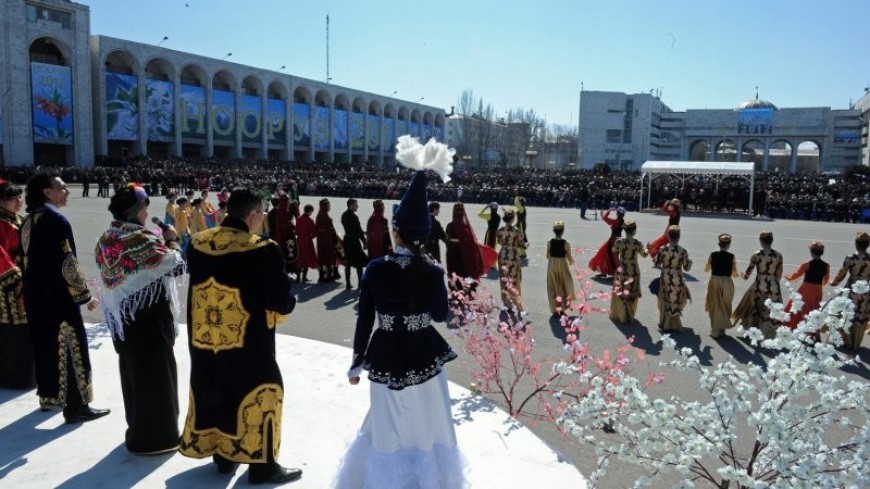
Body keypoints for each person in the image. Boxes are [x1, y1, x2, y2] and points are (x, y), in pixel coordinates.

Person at [334, 135, 466, 489]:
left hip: (386, 352)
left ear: (395, 230)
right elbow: (441, 316)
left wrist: (356, 361)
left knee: (388, 423)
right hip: (424, 351)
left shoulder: (376, 269)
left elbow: (364, 318)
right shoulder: (433, 271)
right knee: (427, 421)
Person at [179, 188, 301, 484]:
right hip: (248, 341)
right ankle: (263, 466)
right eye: (262, 214)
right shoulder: (262, 248)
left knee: (216, 386)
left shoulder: (197, 242)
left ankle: (223, 455)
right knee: (265, 390)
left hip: (207, 338)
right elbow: (280, 301)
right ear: (252, 215)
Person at [95, 184, 185, 454]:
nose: (148, 212)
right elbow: (174, 264)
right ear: (135, 210)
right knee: (157, 378)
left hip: (125, 319)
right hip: (148, 318)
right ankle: (159, 438)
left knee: (134, 377)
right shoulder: (139, 238)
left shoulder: (107, 237)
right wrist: (172, 240)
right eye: (145, 207)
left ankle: (137, 431)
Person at [21, 174, 110, 422]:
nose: (66, 191)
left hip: (36, 296)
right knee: (73, 346)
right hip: (58, 297)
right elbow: (67, 263)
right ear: (48, 192)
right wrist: (83, 295)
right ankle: (77, 405)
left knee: (46, 346)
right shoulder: (55, 220)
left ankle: (50, 396)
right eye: (61, 188)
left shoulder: (30, 218)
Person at [0, 181, 34, 389]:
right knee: (11, 329)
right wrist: (14, 277)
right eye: (14, 199)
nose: (19, 201)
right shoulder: (2, 223)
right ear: (2, 202)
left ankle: (24, 374)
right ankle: (11, 376)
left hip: (22, 281)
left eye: (20, 197)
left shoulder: (16, 219)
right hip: (8, 285)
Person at [732, 231, 783, 339]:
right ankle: (767, 332)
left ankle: (752, 330)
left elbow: (749, 271)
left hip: (759, 283)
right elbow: (779, 274)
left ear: (760, 241)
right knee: (770, 309)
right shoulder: (778, 256)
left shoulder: (756, 255)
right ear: (772, 241)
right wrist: (774, 283)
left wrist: (744, 276)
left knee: (753, 307)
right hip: (773, 285)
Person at [830, 232, 870, 351]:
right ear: (868, 245)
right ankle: (856, 343)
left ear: (856, 244)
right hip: (866, 290)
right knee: (861, 315)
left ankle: (847, 341)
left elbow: (842, 272)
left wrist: (834, 282)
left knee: (844, 314)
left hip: (852, 288)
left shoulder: (851, 257)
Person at [783, 241, 829, 332]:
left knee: (800, 306)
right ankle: (811, 329)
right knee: (814, 307)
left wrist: (788, 277)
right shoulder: (826, 266)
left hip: (806, 288)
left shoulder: (807, 264)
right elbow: (826, 279)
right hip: (817, 289)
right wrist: (820, 285)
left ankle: (795, 326)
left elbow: (797, 274)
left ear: (812, 253)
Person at [655, 225, 692, 332]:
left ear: (668, 236)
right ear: (679, 237)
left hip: (665, 277)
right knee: (675, 300)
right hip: (678, 277)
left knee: (665, 300)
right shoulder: (683, 251)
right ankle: (674, 324)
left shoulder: (662, 250)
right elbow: (687, 268)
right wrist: (689, 263)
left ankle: (665, 323)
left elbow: (657, 264)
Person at [610, 220, 647, 324]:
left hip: (622, 270)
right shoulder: (637, 243)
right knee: (631, 293)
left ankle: (621, 315)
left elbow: (614, 250)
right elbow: (644, 255)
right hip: (634, 270)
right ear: (634, 230)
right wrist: (648, 248)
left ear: (624, 230)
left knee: (621, 292)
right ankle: (628, 315)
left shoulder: (619, 241)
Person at [704, 233, 739, 339]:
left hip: (715, 280)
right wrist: (738, 275)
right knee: (726, 305)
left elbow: (707, 268)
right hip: (727, 282)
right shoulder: (731, 256)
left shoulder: (713, 255)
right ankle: (722, 329)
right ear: (728, 245)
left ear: (719, 244)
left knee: (714, 305)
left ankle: (715, 331)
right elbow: (734, 272)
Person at [445, 203, 484, 293]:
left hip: (453, 250)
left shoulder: (450, 225)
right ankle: (471, 286)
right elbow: (469, 240)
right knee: (465, 270)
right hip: (463, 251)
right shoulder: (465, 226)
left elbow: (447, 238)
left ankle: (458, 288)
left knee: (454, 269)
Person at [496, 207, 524, 311]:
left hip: (503, 255)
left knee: (504, 279)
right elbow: (521, 244)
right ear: (512, 219)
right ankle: (516, 302)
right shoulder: (517, 231)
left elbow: (499, 242)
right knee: (514, 280)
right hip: (513, 255)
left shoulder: (500, 230)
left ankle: (507, 303)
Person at [546, 221, 574, 316]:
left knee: (552, 286)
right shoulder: (566, 243)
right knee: (564, 284)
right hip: (562, 264)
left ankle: (554, 309)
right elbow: (569, 257)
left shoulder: (550, 242)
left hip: (552, 264)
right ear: (563, 231)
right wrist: (571, 262)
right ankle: (562, 307)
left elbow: (547, 255)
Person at [588, 207, 624, 278]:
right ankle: (609, 272)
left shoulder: (616, 221)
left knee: (606, 256)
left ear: (617, 213)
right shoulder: (622, 221)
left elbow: (606, 219)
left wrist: (608, 211)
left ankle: (613, 273)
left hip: (613, 241)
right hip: (618, 240)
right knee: (611, 257)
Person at [342, 198, 367, 290]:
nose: (357, 206)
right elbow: (358, 230)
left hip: (347, 240)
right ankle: (360, 284)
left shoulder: (343, 215)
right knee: (359, 263)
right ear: (351, 205)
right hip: (354, 242)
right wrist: (364, 241)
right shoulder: (354, 217)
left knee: (348, 263)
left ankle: (348, 284)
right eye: (356, 205)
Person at [316, 198, 341, 283]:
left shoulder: (320, 215)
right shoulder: (324, 216)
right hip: (327, 240)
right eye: (329, 205)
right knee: (328, 256)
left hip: (322, 240)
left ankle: (324, 275)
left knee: (323, 256)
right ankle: (328, 275)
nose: (330, 207)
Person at [295, 204, 318, 283]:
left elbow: (296, 231)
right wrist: (311, 237)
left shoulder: (299, 219)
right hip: (307, 241)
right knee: (306, 258)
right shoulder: (310, 220)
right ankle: (304, 277)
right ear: (310, 211)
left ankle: (298, 277)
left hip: (299, 240)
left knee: (300, 258)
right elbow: (314, 232)